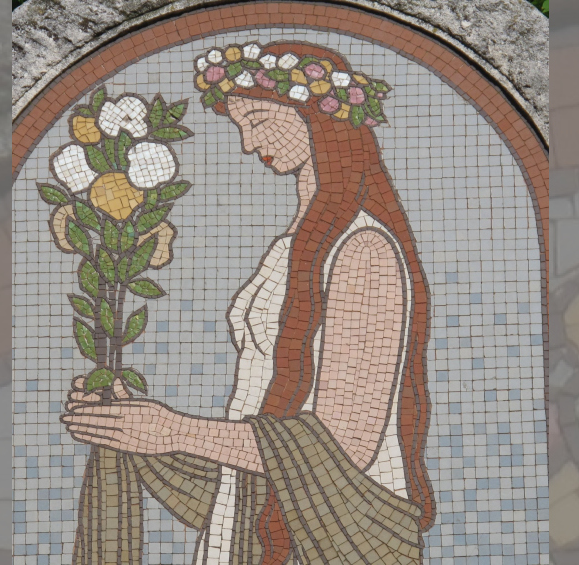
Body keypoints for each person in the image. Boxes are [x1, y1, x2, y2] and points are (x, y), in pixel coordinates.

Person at [60, 41, 435, 564]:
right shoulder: (291, 247)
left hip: (340, 533)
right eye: (241, 126)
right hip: (255, 505)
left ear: (317, 118)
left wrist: (173, 430)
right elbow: (263, 421)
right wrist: (131, 424)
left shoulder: (364, 249)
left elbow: (347, 444)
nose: (247, 143)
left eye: (258, 120)